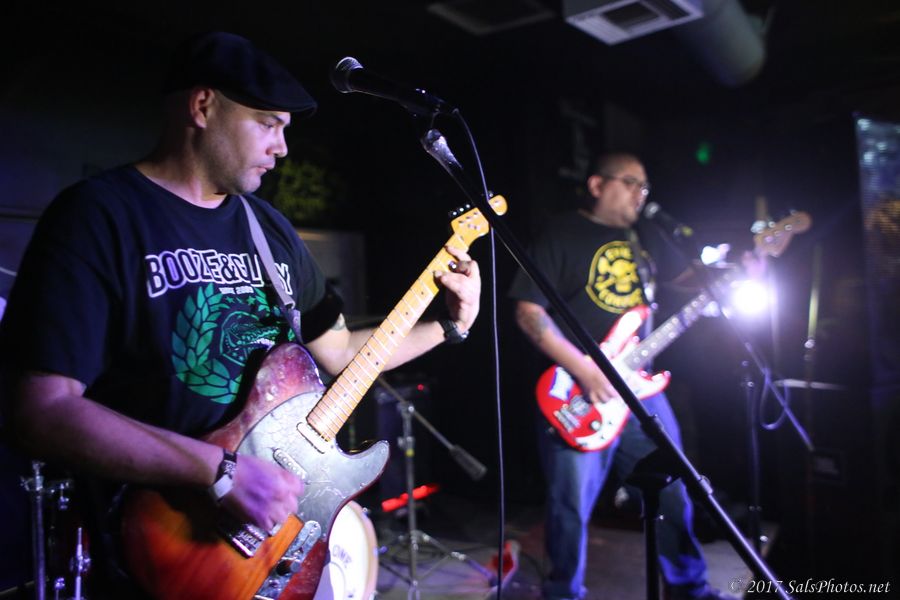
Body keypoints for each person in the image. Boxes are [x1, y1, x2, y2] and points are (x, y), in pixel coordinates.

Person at [0, 31, 480, 594]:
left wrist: (449, 326)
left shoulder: (268, 229)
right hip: (157, 544)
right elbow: (41, 411)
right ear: (204, 107)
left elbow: (342, 353)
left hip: (269, 541)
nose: (282, 148)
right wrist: (219, 470)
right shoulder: (99, 216)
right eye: (268, 124)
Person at [508, 152, 728, 600]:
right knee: (570, 504)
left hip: (640, 390)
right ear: (597, 185)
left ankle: (689, 589)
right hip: (578, 390)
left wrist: (742, 263)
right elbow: (529, 311)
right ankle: (563, 593)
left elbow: (686, 279)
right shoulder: (562, 234)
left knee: (674, 488)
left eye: (644, 186)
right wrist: (584, 369)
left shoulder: (642, 237)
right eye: (630, 182)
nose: (640, 193)